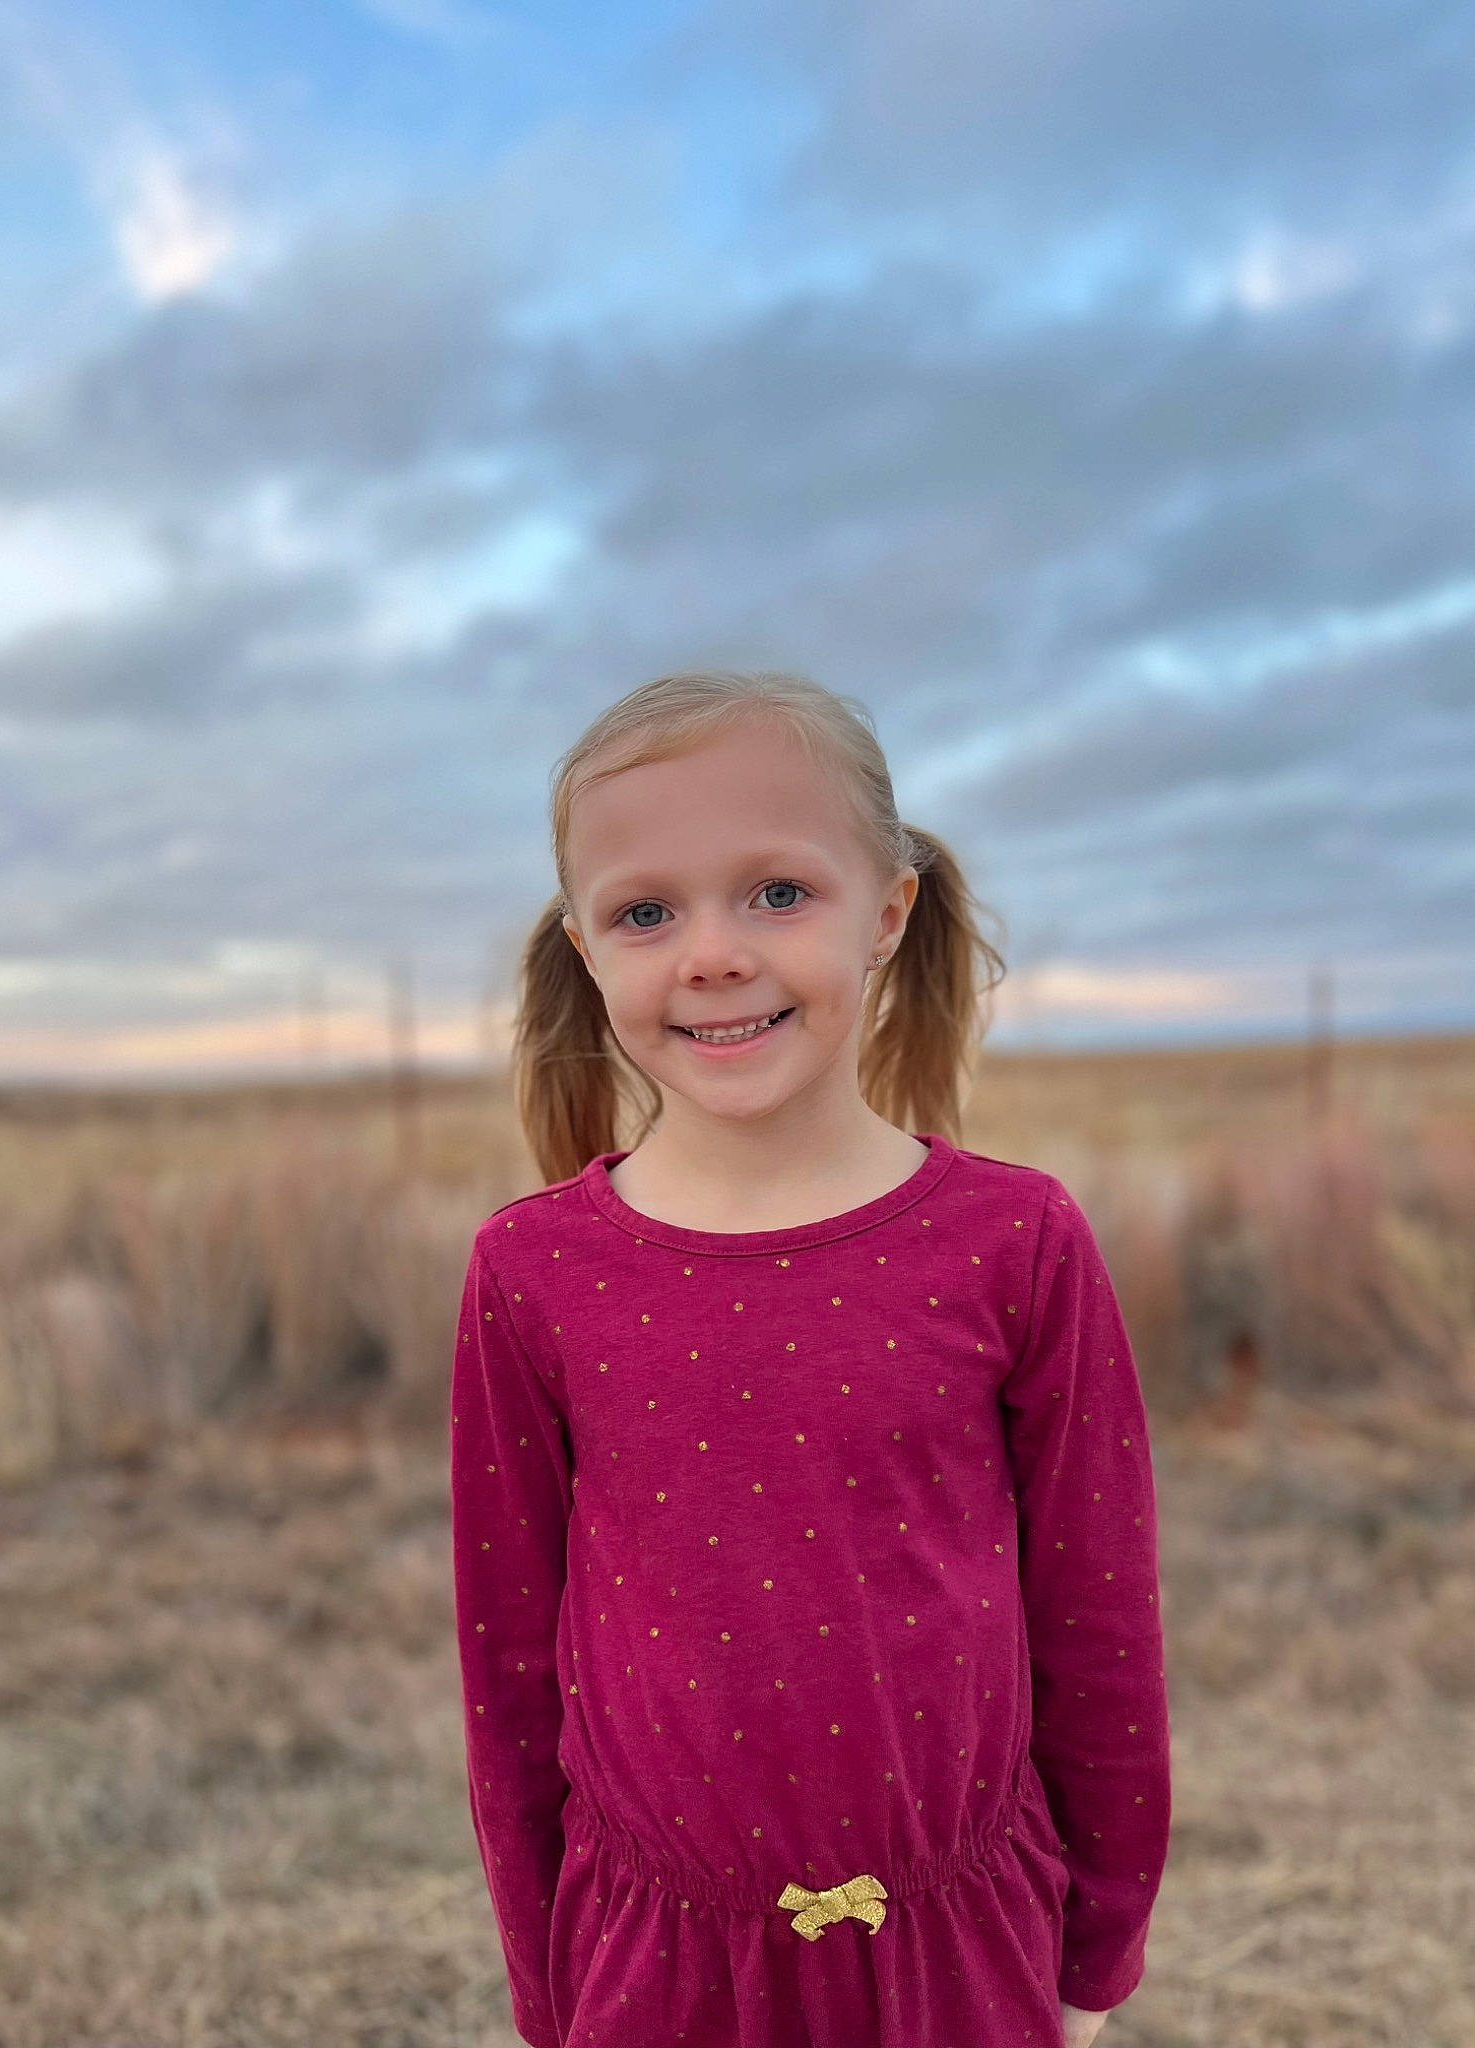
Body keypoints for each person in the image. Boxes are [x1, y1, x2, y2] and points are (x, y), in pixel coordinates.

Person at [450, 669, 1172, 2048]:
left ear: (887, 911)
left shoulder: (1016, 1241)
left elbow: (1100, 1613)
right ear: (588, 949)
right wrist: (550, 1987)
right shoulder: (532, 1274)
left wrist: (1093, 1953)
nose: (713, 952)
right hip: (653, 1964)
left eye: (778, 892)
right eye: (647, 911)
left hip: (965, 1946)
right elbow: (508, 1666)